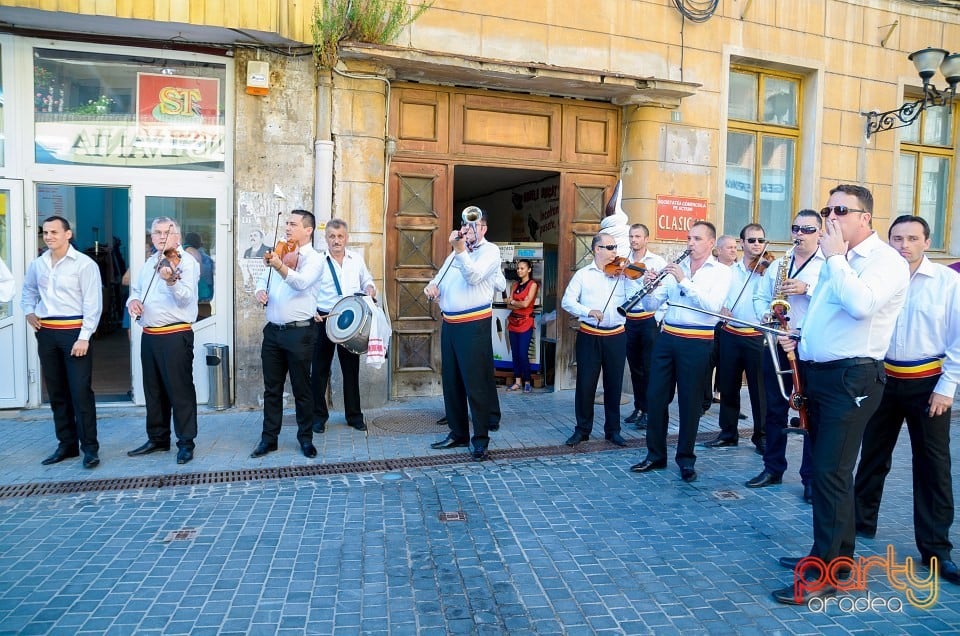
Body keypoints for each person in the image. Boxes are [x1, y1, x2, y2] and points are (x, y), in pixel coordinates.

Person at [771, 184, 909, 605]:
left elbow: (861, 306)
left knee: (831, 473)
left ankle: (830, 573)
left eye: (840, 210)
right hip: (820, 374)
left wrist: (834, 258)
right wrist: (801, 340)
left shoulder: (885, 261)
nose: (831, 217)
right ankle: (831, 556)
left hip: (853, 379)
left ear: (865, 217)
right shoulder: (839, 260)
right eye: (828, 209)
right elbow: (824, 313)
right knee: (828, 472)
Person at [853, 215, 960, 586]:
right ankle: (857, 528)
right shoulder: (880, 275)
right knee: (871, 457)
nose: (904, 245)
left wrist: (948, 386)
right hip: (883, 378)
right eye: (897, 237)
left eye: (912, 238)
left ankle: (937, 550)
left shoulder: (948, 282)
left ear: (926, 242)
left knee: (933, 466)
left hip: (928, 383)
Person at [630, 221, 732, 483]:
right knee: (655, 398)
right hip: (667, 337)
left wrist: (684, 281)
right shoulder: (677, 268)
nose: (690, 243)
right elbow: (652, 305)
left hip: (697, 341)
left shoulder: (721, 272)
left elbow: (711, 306)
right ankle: (655, 455)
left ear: (711, 243)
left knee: (689, 403)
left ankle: (686, 459)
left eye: (697, 239)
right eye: (689, 238)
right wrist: (650, 286)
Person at [746, 210, 822, 502]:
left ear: (819, 233)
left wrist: (807, 288)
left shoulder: (827, 266)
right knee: (774, 409)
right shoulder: (780, 264)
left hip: (809, 344)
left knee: (810, 412)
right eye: (796, 228)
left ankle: (810, 479)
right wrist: (765, 313)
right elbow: (758, 296)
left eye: (807, 229)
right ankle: (773, 467)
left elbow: (834, 300)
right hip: (778, 340)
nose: (799, 234)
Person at [21, 216, 103, 468]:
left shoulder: (84, 264)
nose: (49, 237)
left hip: (74, 333)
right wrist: (29, 311)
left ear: (68, 234)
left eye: (54, 232)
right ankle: (66, 445)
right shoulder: (38, 264)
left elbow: (93, 303)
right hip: (47, 333)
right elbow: (29, 291)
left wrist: (84, 337)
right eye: (45, 232)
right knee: (57, 393)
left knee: (80, 392)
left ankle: (89, 448)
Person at [425, 213, 502, 461]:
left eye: (474, 225)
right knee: (452, 382)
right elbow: (438, 281)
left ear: (484, 228)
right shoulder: (454, 255)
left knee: (476, 384)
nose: (468, 229)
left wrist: (460, 250)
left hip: (474, 323)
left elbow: (474, 277)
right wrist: (432, 290)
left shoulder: (490, 251)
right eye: (465, 225)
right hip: (450, 324)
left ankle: (480, 439)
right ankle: (458, 433)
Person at [251, 209, 325, 459]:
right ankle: (268, 439)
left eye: (293, 224)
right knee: (272, 389)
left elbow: (301, 283)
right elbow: (263, 279)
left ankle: (305, 439)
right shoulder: (280, 251)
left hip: (299, 334)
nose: (287, 228)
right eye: (286, 223)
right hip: (272, 333)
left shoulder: (315, 259)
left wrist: (279, 265)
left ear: (308, 230)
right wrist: (260, 291)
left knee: (302, 389)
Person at [126, 218, 200, 464]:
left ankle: (186, 442)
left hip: (175, 334)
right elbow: (136, 291)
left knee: (180, 391)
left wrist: (171, 282)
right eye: (156, 232)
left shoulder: (187, 263)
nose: (160, 236)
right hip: (150, 335)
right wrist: (132, 302)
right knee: (153, 391)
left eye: (166, 233)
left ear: (177, 237)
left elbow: (186, 299)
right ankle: (158, 439)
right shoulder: (149, 262)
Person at [561, 234, 641, 448]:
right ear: (597, 249)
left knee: (613, 385)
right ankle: (582, 430)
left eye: (615, 247)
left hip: (616, 336)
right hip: (589, 335)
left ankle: (613, 431)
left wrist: (632, 279)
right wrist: (587, 311)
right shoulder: (583, 275)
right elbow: (567, 301)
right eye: (610, 247)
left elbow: (635, 301)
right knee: (585, 385)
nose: (615, 251)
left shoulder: (623, 274)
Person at [703, 223, 769, 453]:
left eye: (761, 240)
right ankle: (728, 433)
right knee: (729, 385)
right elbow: (720, 297)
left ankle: (761, 435)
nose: (757, 245)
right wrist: (722, 308)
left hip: (756, 335)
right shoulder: (729, 272)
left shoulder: (768, 270)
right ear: (742, 244)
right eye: (751, 240)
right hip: (731, 333)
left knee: (759, 390)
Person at [312, 218, 376, 434]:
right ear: (326, 238)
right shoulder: (318, 261)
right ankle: (318, 418)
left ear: (346, 238)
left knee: (351, 370)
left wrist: (369, 288)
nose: (336, 240)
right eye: (332, 236)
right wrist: (312, 311)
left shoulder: (356, 259)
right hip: (325, 318)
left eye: (340, 236)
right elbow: (308, 289)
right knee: (319, 370)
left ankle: (354, 416)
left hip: (350, 320)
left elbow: (367, 279)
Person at [622, 224, 667, 429]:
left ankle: (650, 411)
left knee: (649, 368)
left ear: (646, 239)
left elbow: (664, 292)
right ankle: (639, 407)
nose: (633, 240)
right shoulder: (623, 261)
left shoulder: (656, 262)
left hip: (648, 318)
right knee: (635, 368)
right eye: (631, 236)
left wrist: (659, 317)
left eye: (638, 236)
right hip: (629, 319)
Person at [702, 234, 739, 412]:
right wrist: (719, 309)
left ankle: (729, 405)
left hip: (732, 326)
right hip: (714, 324)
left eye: (735, 247)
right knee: (708, 364)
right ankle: (704, 403)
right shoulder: (711, 270)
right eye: (729, 247)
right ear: (719, 250)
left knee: (729, 368)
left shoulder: (740, 270)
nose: (734, 250)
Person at [505, 259, 539, 393]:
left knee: (523, 354)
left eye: (522, 268)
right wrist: (516, 302)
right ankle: (517, 381)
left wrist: (513, 301)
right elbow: (508, 305)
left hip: (526, 323)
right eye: (518, 268)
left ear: (529, 269)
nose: (519, 270)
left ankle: (527, 381)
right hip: (513, 322)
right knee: (515, 354)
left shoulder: (533, 284)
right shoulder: (514, 285)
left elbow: (526, 304)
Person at [183, 231, 215, 318]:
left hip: (192, 299)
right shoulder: (207, 259)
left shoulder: (183, 253)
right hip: (204, 300)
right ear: (199, 243)